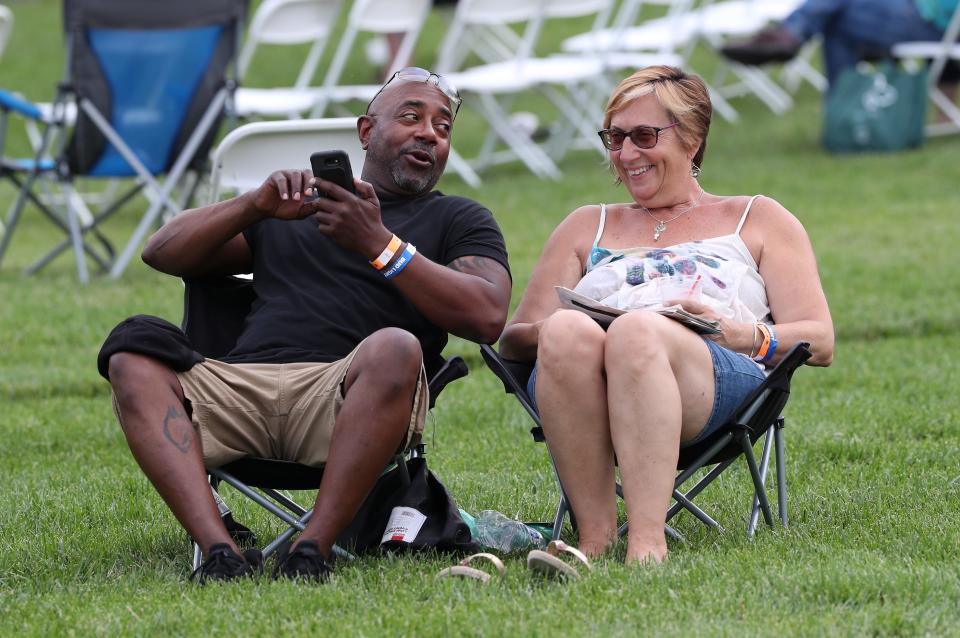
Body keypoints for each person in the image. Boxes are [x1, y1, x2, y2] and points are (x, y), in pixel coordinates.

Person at [100, 67, 512, 583]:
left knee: (395, 346)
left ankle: (310, 549)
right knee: (132, 347)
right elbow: (160, 252)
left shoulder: (458, 219)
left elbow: (487, 316)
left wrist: (379, 245)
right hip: (238, 393)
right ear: (367, 132)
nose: (430, 133)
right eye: (412, 117)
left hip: (346, 399)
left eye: (444, 126)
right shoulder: (293, 213)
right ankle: (219, 551)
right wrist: (252, 205)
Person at [498, 66, 833, 564]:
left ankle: (647, 546)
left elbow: (820, 340)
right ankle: (594, 539)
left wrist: (735, 333)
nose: (626, 154)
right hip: (585, 382)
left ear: (693, 139)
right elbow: (514, 341)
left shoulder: (757, 218)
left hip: (712, 378)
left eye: (644, 136)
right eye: (615, 138)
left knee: (638, 330)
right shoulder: (586, 224)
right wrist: (564, 325)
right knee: (568, 328)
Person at [721, 0, 959, 87]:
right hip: (918, 13)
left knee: (835, 18)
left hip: (931, 22)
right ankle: (845, 126)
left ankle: (788, 34)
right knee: (837, 25)